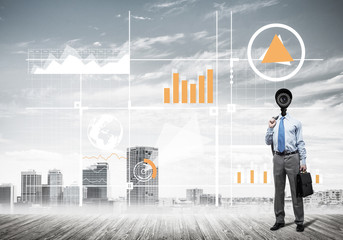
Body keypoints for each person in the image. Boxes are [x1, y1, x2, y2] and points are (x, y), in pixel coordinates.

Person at [265, 112, 307, 232]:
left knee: (296, 190)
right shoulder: (274, 122)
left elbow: (300, 142)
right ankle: (279, 221)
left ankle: (299, 221)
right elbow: (268, 142)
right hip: (277, 157)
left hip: (293, 157)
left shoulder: (296, 123)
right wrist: (270, 128)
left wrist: (303, 160)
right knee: (278, 191)